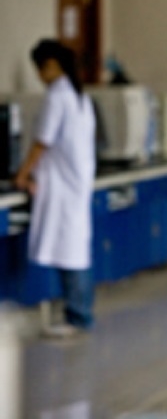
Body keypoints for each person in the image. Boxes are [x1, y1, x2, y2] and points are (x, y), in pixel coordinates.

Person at [14, 39, 96, 337]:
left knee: (70, 253)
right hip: (74, 183)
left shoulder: (57, 96)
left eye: (40, 69)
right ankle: (78, 313)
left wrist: (22, 175)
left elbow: (42, 142)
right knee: (73, 251)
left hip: (64, 187)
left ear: (51, 65)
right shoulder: (79, 96)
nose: (39, 76)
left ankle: (78, 317)